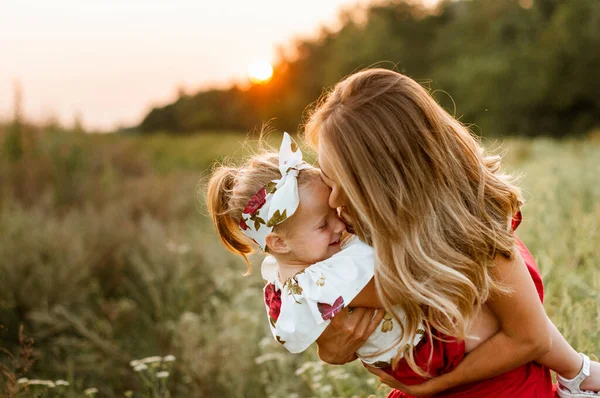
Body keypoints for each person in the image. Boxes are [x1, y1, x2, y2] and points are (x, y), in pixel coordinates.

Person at [206, 130, 599, 397]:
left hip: (434, 359)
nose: (341, 221)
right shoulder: (324, 276)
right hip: (428, 358)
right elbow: (425, 289)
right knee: (486, 306)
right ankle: (578, 374)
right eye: (324, 222)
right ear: (278, 242)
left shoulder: (312, 257)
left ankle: (577, 373)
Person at [302, 68, 600, 397]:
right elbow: (350, 325)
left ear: (388, 177)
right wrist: (333, 347)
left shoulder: (471, 232)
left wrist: (432, 387)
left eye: (346, 181)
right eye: (328, 178)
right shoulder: (367, 229)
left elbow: (531, 337)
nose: (333, 198)